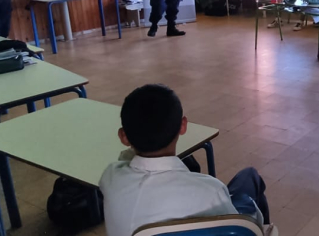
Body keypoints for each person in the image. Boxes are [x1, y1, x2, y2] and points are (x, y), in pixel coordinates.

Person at [99, 84, 273, 236]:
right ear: (183, 126)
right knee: (250, 177)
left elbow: (125, 159)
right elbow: (238, 229)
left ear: (123, 137)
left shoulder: (110, 177)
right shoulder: (210, 191)